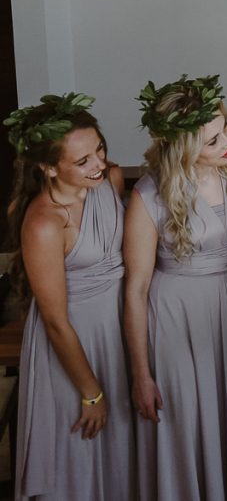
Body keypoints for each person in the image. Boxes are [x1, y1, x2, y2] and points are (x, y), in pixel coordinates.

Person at [123, 75, 227, 499]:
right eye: (213, 141)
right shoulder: (149, 195)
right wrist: (140, 374)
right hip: (179, 318)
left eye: (226, 129)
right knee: (190, 423)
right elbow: (136, 290)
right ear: (183, 147)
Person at [5, 92, 135, 499]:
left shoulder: (109, 181)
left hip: (118, 333)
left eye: (99, 149)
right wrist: (90, 391)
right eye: (83, 161)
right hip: (74, 345)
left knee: (122, 459)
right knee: (79, 458)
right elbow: (56, 321)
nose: (99, 164)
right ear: (47, 167)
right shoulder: (45, 223)